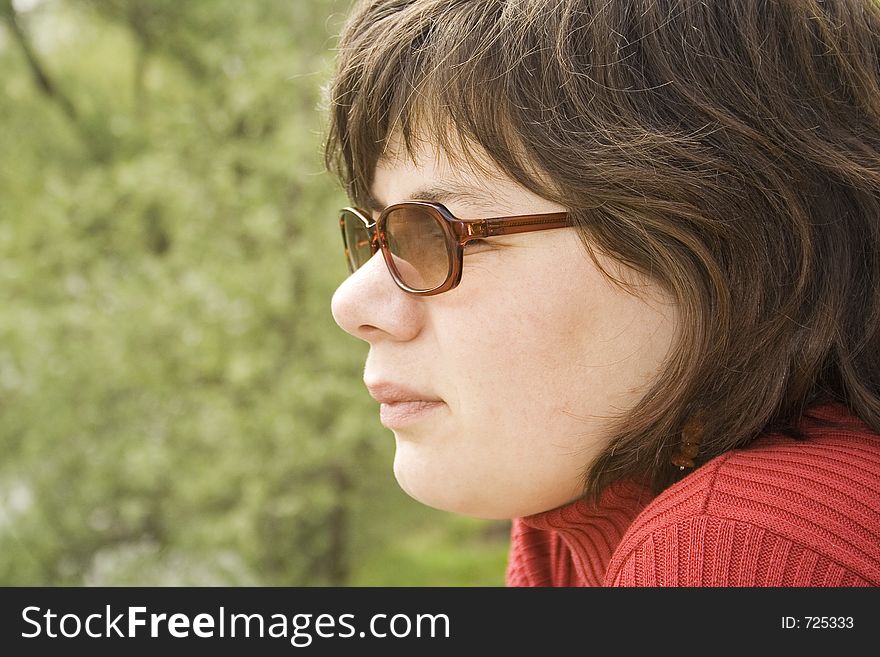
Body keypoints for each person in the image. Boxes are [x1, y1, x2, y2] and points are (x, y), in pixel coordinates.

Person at [325, 0, 880, 586]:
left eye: (436, 232)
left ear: (723, 245)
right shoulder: (572, 519)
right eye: (377, 233)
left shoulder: (738, 548)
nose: (353, 303)